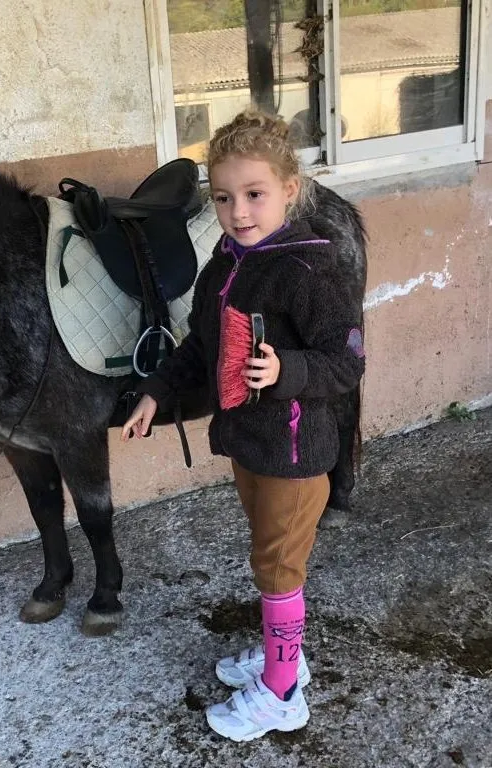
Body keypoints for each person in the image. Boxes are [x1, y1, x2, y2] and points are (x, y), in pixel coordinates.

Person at [121, 109, 365, 742]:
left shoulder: (310, 268)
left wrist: (287, 370)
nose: (238, 211)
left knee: (279, 569)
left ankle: (283, 694)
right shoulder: (225, 262)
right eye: (224, 198)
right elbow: (201, 346)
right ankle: (284, 655)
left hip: (294, 453)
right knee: (268, 559)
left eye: (255, 194)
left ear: (289, 190)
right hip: (249, 445)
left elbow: (346, 362)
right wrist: (156, 393)